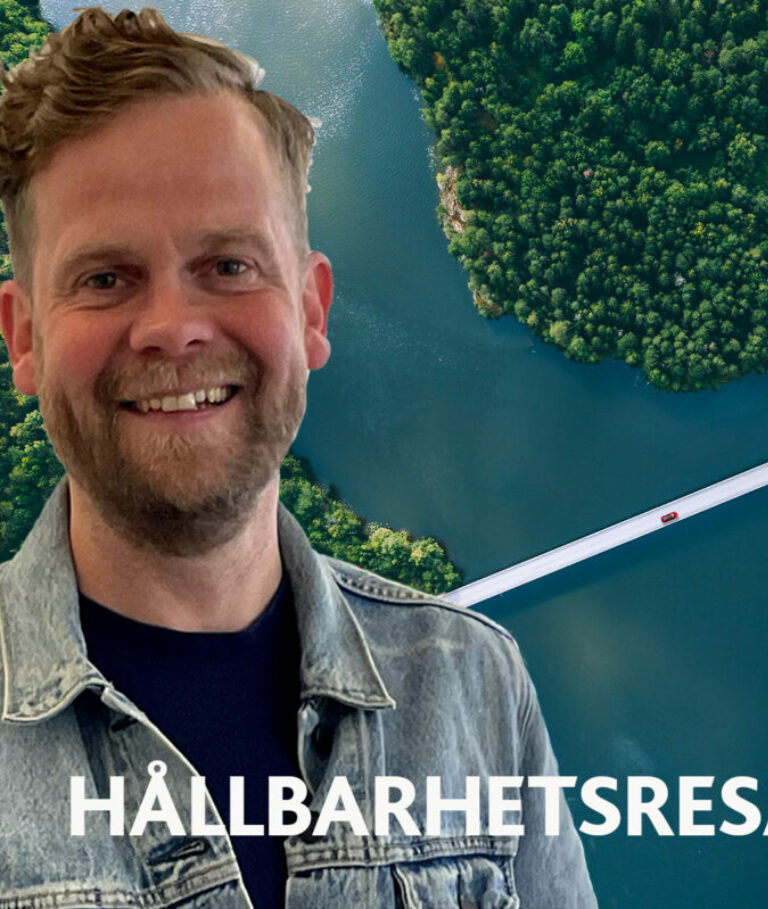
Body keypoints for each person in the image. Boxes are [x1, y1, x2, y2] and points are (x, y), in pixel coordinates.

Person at [0, 8, 596, 907]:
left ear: (311, 311)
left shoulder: (474, 682)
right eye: (105, 278)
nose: (170, 328)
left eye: (229, 265)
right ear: (24, 339)